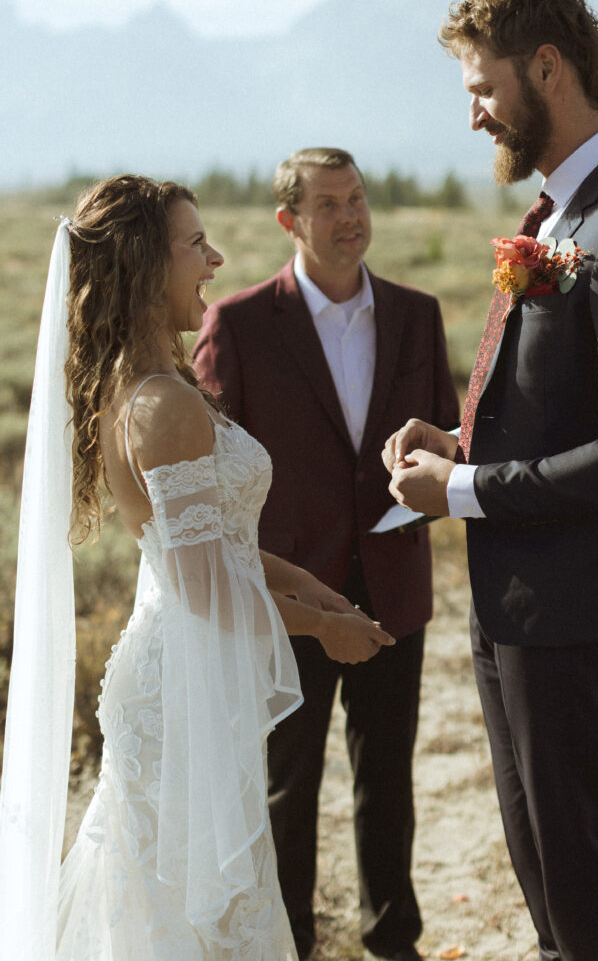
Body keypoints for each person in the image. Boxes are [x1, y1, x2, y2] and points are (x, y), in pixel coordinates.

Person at [383, 0, 598, 961]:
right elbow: (553, 399)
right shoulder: (556, 216)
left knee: (581, 872)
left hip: (582, 605)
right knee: (539, 864)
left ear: (547, 67)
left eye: (482, 86)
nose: (473, 113)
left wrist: (464, 493)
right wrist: (460, 444)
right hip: (519, 598)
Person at [0, 174, 394, 961]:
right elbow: (205, 587)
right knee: (193, 914)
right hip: (177, 695)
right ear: (146, 266)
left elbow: (215, 549)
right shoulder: (160, 406)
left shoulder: (152, 388)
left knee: (170, 906)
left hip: (182, 682)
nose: (215, 258)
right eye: (195, 245)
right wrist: (323, 629)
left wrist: (313, 588)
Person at [193, 148, 459, 961]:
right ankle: (290, 943)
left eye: (357, 199)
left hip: (391, 582)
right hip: (286, 600)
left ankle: (393, 941)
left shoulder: (417, 314)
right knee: (286, 785)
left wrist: (436, 465)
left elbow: (449, 432)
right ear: (289, 221)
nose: (350, 217)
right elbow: (206, 461)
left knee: (389, 782)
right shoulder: (237, 323)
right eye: (328, 204)